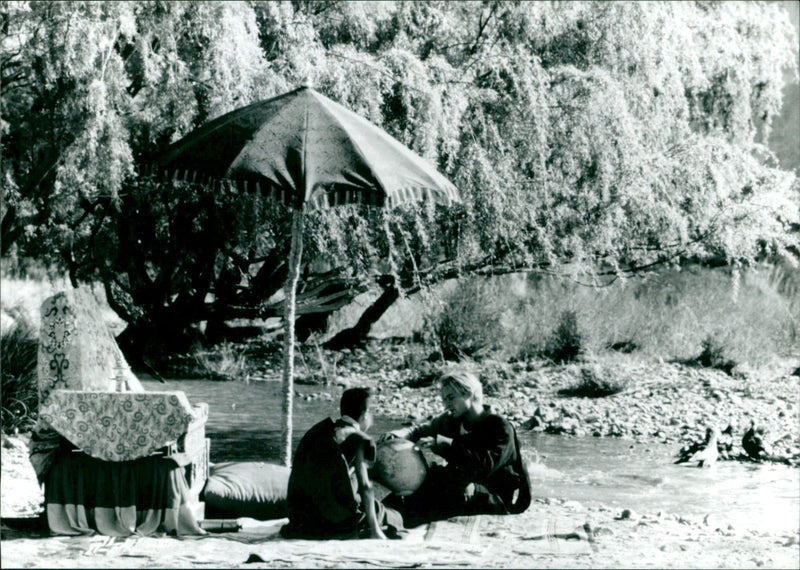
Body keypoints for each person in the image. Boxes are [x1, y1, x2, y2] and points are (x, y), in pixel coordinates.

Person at [381, 370, 531, 527]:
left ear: (469, 394)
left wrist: (443, 444)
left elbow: (483, 466)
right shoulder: (452, 419)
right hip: (462, 486)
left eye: (451, 398)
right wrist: (397, 435)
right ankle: (383, 515)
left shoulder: (500, 427)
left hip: (492, 495)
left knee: (443, 492)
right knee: (420, 482)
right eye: (444, 399)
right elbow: (418, 431)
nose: (446, 405)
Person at [281, 387, 403, 539]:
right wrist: (375, 530)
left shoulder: (320, 430)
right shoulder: (360, 440)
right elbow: (365, 487)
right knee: (394, 517)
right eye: (371, 412)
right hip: (334, 523)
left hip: (301, 519)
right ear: (365, 415)